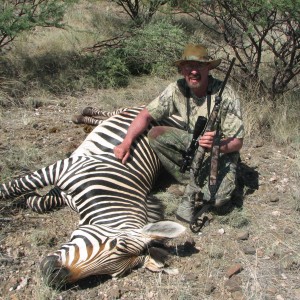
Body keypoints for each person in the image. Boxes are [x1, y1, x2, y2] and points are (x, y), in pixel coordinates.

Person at [114, 44, 244, 223]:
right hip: (193, 142)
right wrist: (126, 141)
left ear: (208, 68)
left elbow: (237, 142)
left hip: (220, 151)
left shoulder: (226, 94)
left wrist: (217, 145)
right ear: (182, 69)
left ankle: (208, 183)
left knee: (216, 200)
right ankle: (190, 179)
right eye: (188, 66)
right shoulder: (176, 88)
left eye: (199, 66)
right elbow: (145, 115)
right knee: (155, 134)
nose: (193, 71)